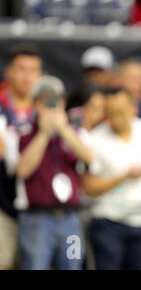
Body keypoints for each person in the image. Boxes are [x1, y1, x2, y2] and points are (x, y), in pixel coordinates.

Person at [82, 88, 141, 270]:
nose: (115, 118)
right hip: (107, 219)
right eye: (110, 113)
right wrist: (124, 176)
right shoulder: (94, 140)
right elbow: (89, 186)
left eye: (120, 112)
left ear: (133, 109)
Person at [15, 76, 93, 270]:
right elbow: (23, 170)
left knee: (72, 266)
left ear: (63, 103)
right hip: (37, 219)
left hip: (71, 218)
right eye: (45, 102)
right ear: (35, 105)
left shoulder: (75, 133)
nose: (51, 107)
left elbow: (89, 158)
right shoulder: (23, 133)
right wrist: (44, 133)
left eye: (55, 101)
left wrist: (63, 129)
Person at [0, 43, 42, 270]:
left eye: (33, 70)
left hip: (38, 206)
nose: (27, 76)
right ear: (9, 72)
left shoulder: (48, 109)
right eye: (21, 69)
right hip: (3, 202)